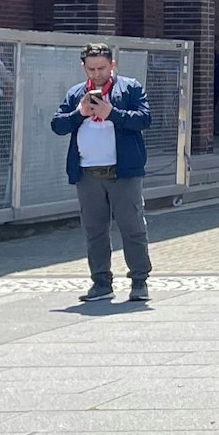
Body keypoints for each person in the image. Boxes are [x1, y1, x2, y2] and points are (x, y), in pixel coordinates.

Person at [49, 43, 153, 303]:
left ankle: (139, 281)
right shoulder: (76, 93)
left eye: (102, 68)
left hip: (124, 172)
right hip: (87, 173)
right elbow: (57, 125)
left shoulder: (130, 88)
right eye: (91, 68)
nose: (97, 74)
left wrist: (113, 113)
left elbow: (144, 119)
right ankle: (101, 282)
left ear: (112, 65)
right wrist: (79, 113)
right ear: (84, 67)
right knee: (94, 229)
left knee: (132, 227)